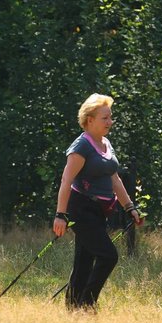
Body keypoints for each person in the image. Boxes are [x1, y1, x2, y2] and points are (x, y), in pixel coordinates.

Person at [53, 94, 143, 311]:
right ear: (89, 119)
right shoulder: (81, 146)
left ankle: (73, 307)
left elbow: (114, 178)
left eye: (110, 117)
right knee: (108, 256)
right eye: (105, 118)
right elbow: (66, 180)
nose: (110, 122)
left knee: (84, 260)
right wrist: (60, 215)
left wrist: (129, 206)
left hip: (99, 210)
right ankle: (87, 303)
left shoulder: (105, 143)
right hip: (81, 208)